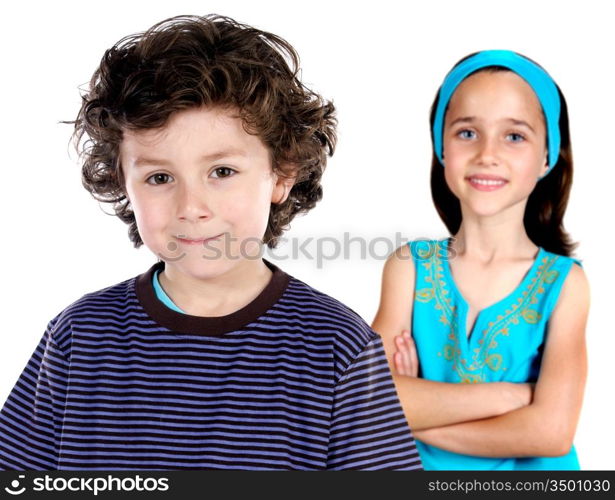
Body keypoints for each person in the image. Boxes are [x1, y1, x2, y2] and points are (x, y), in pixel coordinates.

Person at [0, 14, 421, 471]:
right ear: (123, 183)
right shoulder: (79, 337)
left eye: (221, 172)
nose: (191, 206)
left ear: (282, 174)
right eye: (160, 177)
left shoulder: (337, 347)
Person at [372, 50, 589, 470]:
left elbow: (552, 432)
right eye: (467, 133)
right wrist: (511, 397)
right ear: (441, 147)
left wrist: (419, 417)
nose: (487, 154)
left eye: (514, 136)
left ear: (547, 155)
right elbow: (367, 401)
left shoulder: (565, 285)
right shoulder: (409, 268)